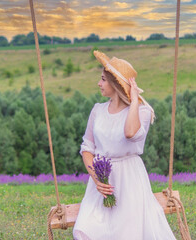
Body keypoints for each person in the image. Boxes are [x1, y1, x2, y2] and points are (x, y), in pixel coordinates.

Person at [73, 51, 176, 240]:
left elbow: (130, 132)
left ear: (115, 84)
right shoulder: (98, 110)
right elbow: (87, 148)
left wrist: (134, 100)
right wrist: (97, 180)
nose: (99, 83)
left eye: (103, 79)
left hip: (129, 179)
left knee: (127, 232)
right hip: (102, 180)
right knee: (85, 229)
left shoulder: (142, 112)